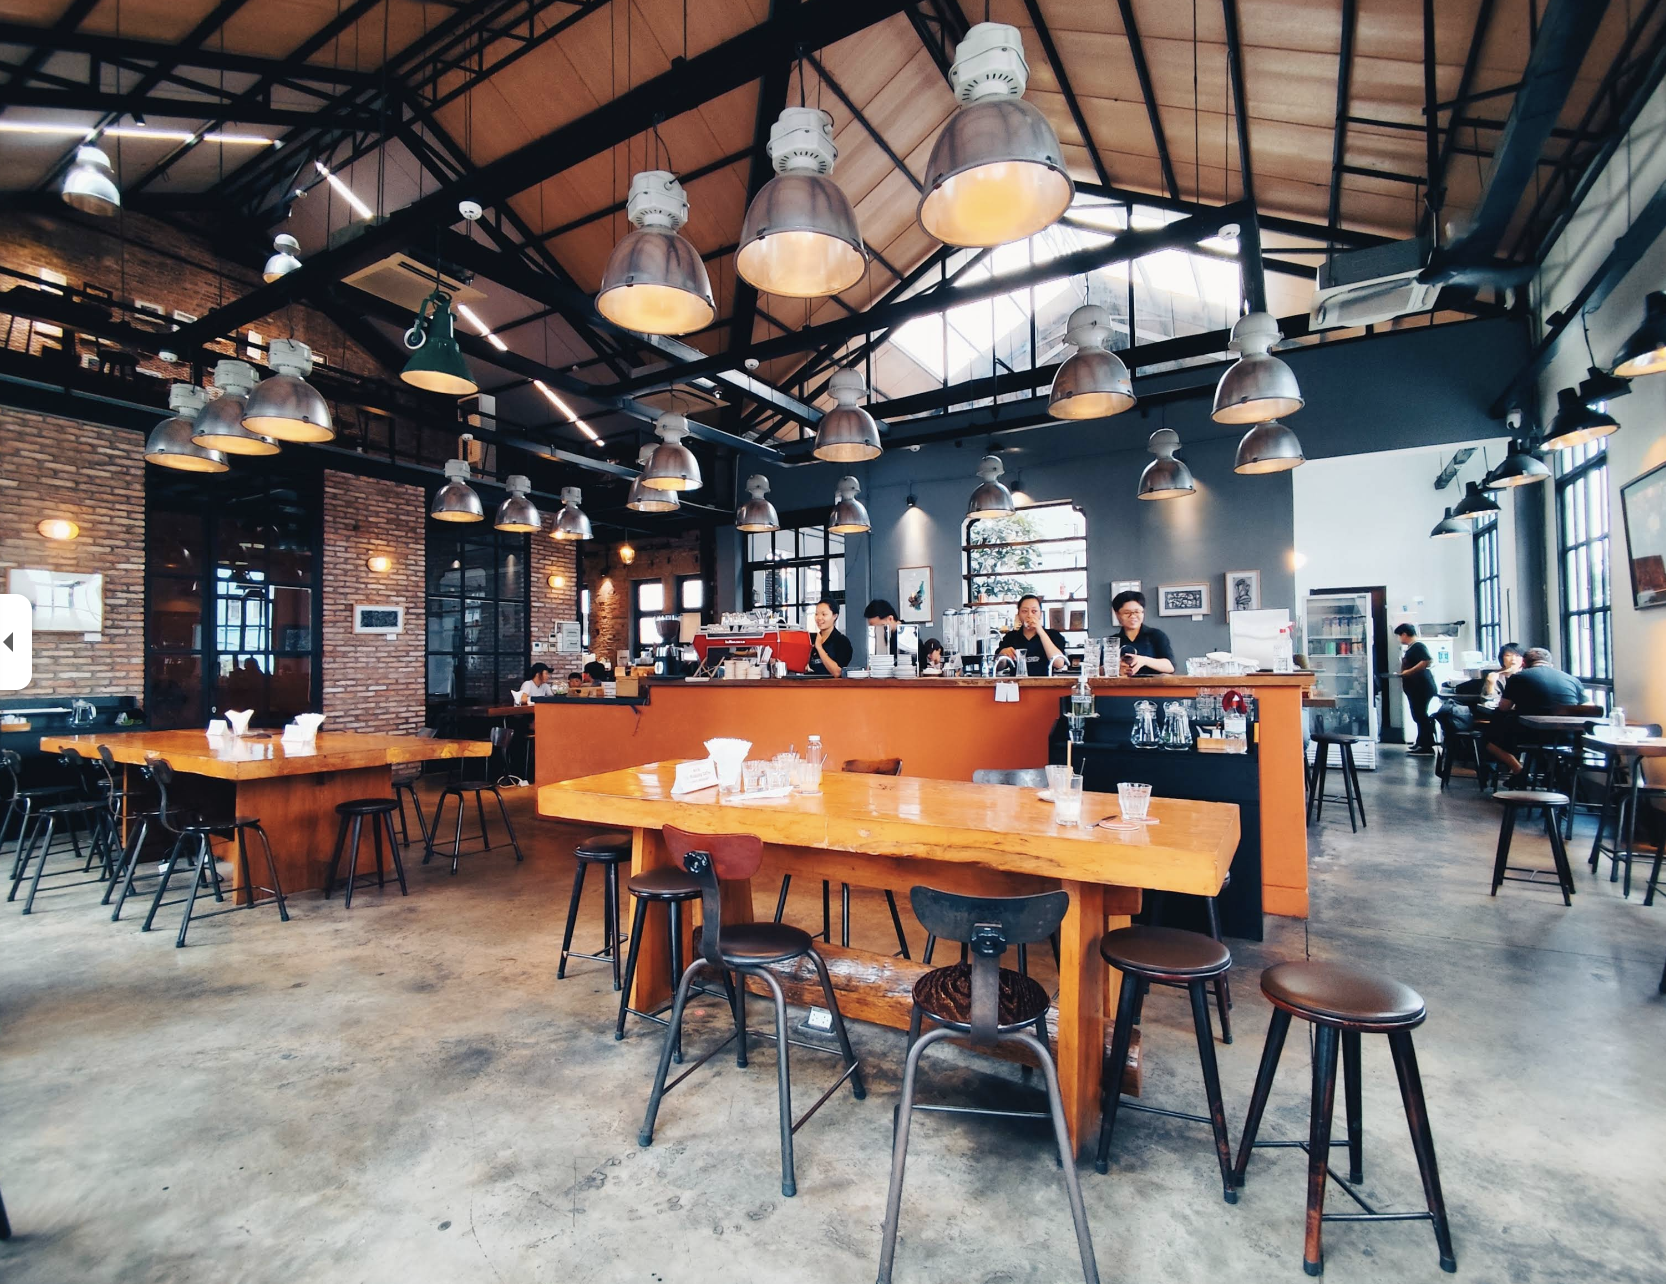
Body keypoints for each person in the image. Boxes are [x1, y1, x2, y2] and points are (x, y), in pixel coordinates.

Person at [1482, 647, 1588, 776]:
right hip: (1568, 737)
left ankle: (1519, 770)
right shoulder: (1572, 679)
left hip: (1529, 735)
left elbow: (1504, 707)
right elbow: (1588, 707)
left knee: (1490, 741)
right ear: (1550, 664)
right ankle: (1549, 774)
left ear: (1524, 664)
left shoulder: (1518, 677)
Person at [1394, 624, 1439, 755]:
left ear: (1404, 634)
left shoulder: (1418, 646)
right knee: (1418, 715)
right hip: (1415, 688)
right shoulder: (1411, 648)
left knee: (1421, 715)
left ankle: (1427, 745)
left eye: (1399, 635)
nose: (1399, 638)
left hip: (1421, 687)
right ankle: (1421, 741)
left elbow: (1426, 661)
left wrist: (1409, 672)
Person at [998, 594, 1070, 674]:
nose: (1029, 615)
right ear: (1018, 615)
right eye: (1025, 611)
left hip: (1046, 684)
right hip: (1016, 685)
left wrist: (1040, 631)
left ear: (1040, 614)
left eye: (1034, 611)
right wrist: (1002, 655)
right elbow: (999, 667)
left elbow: (1059, 663)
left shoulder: (1053, 635)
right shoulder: (1010, 637)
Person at [1109, 590, 1175, 675]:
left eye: (1137, 612)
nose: (1132, 616)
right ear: (1117, 615)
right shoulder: (1112, 641)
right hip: (1120, 687)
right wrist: (1114, 668)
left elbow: (1170, 666)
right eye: (1126, 613)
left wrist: (1144, 660)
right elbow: (1099, 668)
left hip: (1153, 687)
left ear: (1143, 612)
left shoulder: (1156, 635)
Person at [806, 599, 852, 678]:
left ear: (835, 616)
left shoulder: (842, 641)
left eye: (824, 614)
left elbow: (837, 672)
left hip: (831, 688)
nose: (819, 618)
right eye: (816, 614)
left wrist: (819, 648)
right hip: (811, 687)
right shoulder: (811, 639)